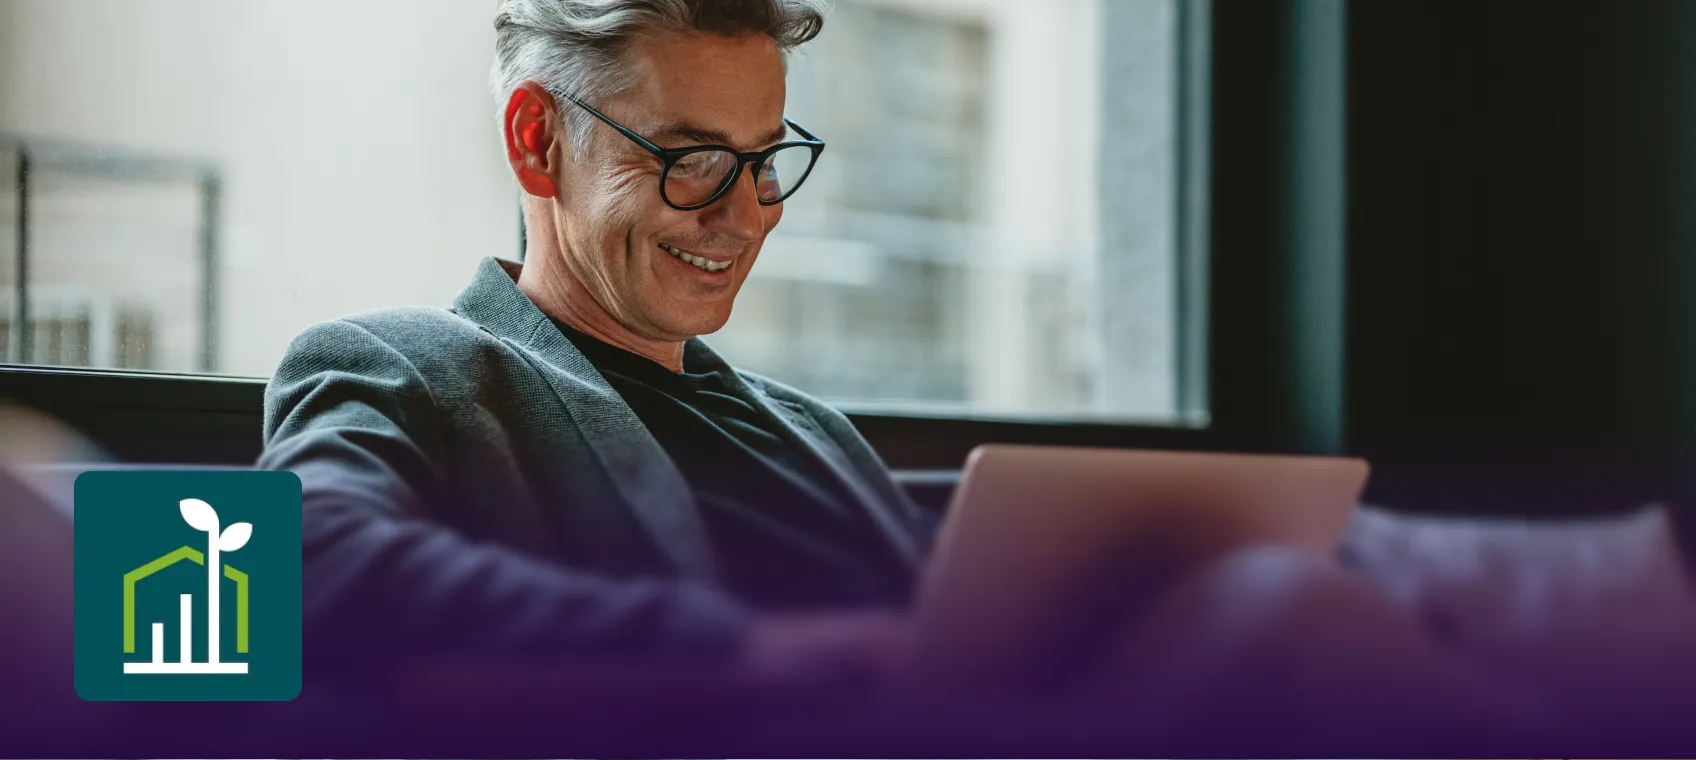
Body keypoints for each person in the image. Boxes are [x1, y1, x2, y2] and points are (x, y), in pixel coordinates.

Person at [257, 0, 1563, 749]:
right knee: (1284, 619)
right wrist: (761, 649)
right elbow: (280, 582)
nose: (748, 213)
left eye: (769, 158)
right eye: (693, 158)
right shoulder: (408, 369)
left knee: (1285, 601)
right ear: (536, 140)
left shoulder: (814, 434)